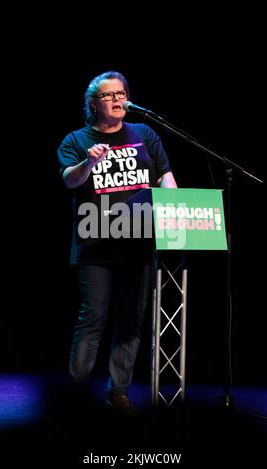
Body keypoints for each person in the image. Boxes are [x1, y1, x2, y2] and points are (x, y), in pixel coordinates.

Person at [57, 71, 177, 412]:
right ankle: (77, 394)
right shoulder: (76, 140)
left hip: (138, 242)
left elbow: (165, 177)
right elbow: (69, 180)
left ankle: (118, 391)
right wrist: (89, 162)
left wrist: (172, 203)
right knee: (93, 319)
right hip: (95, 244)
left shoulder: (145, 133)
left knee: (130, 321)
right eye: (110, 96)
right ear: (94, 104)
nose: (118, 100)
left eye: (122, 93)